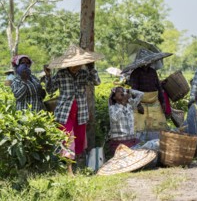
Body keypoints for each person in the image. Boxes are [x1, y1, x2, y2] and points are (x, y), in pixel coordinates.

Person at [44, 45, 101, 175]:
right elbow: (50, 90)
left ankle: (79, 166)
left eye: (79, 64)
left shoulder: (84, 73)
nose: (77, 67)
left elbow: (97, 82)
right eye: (74, 64)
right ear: (67, 64)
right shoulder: (61, 74)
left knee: (79, 139)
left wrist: (92, 68)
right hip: (64, 112)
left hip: (80, 111)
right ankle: (69, 170)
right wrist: (48, 76)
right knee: (67, 139)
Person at [108, 87, 144, 154]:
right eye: (118, 91)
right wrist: (123, 102)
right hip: (119, 143)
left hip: (131, 141)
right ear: (114, 97)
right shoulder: (112, 107)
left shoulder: (130, 105)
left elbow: (141, 94)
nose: (122, 92)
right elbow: (114, 118)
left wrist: (129, 90)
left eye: (123, 91)